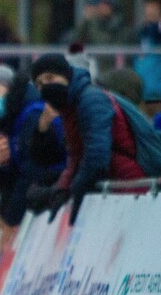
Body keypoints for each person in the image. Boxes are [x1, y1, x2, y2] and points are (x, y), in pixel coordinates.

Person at [25, 54, 146, 224]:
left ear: (66, 76)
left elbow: (97, 156)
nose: (45, 86)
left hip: (129, 188)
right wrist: (61, 189)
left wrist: (75, 188)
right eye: (39, 84)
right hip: (113, 189)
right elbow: (76, 156)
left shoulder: (90, 99)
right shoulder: (69, 107)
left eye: (50, 78)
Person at [0, 64, 65, 246]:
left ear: (10, 88)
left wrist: (11, 219)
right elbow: (14, 176)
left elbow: (31, 172)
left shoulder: (32, 115)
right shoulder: (12, 121)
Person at [134, 0, 161, 112]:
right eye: (147, 14)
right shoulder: (141, 35)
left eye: (153, 14)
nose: (149, 18)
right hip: (142, 93)